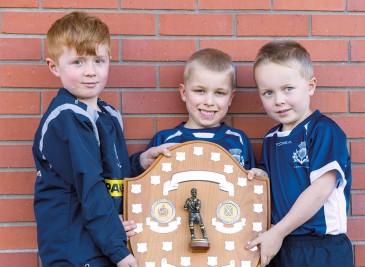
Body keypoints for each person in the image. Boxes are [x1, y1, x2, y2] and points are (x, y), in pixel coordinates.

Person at [32, 11, 173, 267]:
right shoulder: (67, 117)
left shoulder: (108, 114)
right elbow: (91, 186)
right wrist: (118, 249)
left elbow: (110, 173)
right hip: (73, 249)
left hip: (101, 242)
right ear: (54, 67)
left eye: (99, 60)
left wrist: (140, 162)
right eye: (78, 62)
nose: (90, 71)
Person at [246, 40, 353, 267]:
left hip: (321, 247)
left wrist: (278, 233)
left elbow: (321, 190)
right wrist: (258, 176)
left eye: (288, 89)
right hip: (283, 244)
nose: (279, 100)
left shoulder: (323, 130)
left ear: (311, 86)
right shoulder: (270, 139)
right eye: (268, 93)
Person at [132, 48, 257, 173]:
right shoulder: (165, 140)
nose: (209, 102)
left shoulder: (238, 140)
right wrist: (140, 164)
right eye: (200, 91)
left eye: (219, 92)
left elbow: (252, 187)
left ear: (230, 98)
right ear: (184, 93)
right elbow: (144, 185)